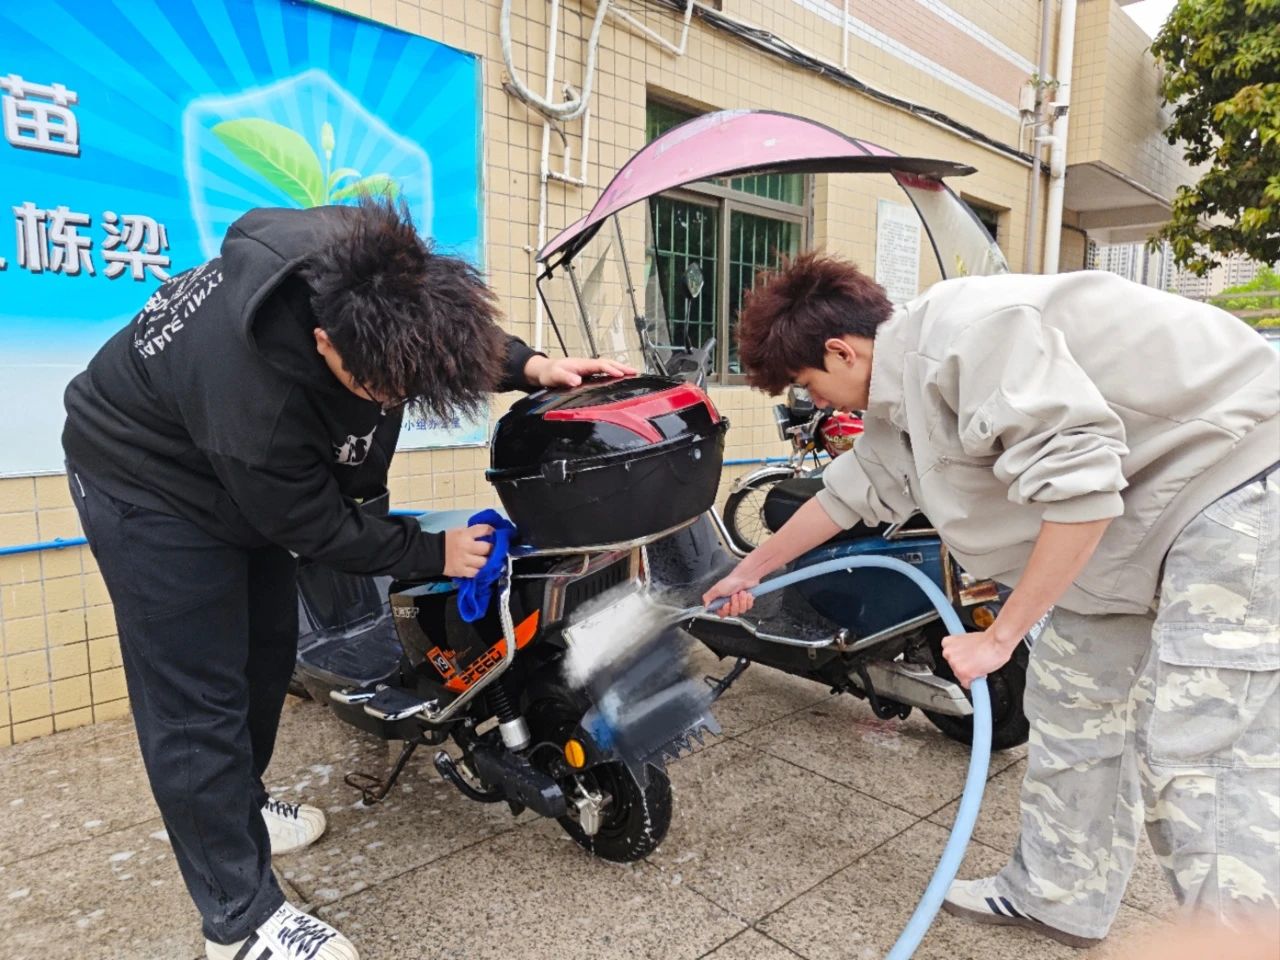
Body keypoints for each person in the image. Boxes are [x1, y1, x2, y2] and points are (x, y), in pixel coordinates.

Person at [61, 198, 631, 960]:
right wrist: (435, 552)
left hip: (233, 475)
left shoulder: (375, 268)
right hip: (147, 483)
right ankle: (238, 920)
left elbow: (437, 336)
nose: (390, 405)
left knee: (268, 656)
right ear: (324, 341)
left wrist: (531, 366)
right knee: (198, 699)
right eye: (376, 392)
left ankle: (240, 806)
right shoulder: (257, 405)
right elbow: (317, 529)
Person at [703, 252, 1279, 947]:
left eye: (808, 385)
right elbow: (848, 495)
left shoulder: (973, 336)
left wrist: (1000, 637)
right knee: (1072, 708)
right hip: (1137, 526)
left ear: (841, 351)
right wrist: (749, 571)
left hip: (1235, 487)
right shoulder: (898, 396)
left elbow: (1082, 490)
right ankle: (1059, 895)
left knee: (1200, 752)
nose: (817, 403)